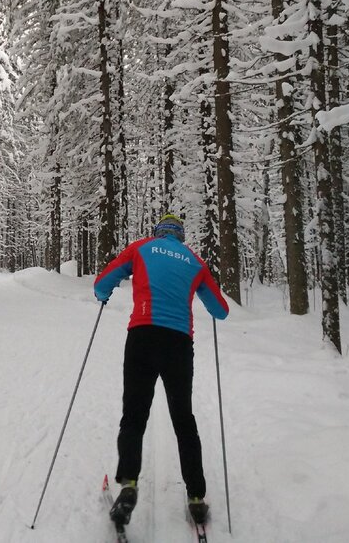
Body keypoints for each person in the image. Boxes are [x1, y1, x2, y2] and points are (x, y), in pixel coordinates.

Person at [93, 213, 229, 529]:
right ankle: (196, 497)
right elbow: (220, 311)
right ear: (180, 236)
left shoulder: (142, 248)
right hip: (179, 344)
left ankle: (128, 483)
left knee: (134, 416)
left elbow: (103, 282)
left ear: (157, 232)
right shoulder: (195, 262)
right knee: (184, 420)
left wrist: (103, 295)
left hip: (141, 337)